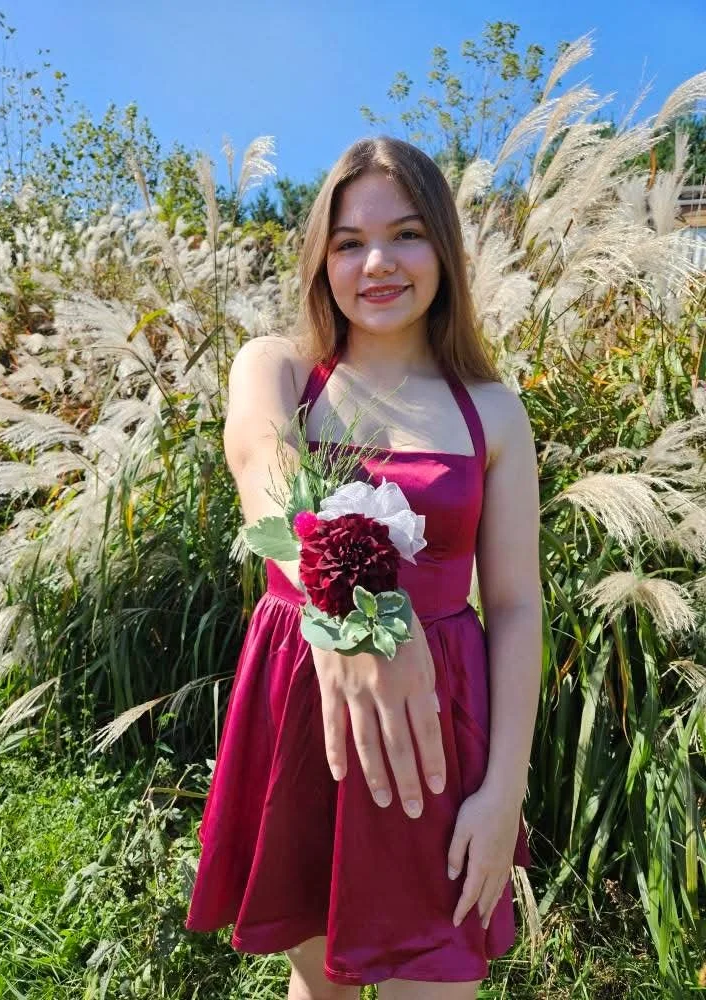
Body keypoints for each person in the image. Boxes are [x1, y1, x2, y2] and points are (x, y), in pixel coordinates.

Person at [185, 136, 542, 1000]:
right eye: (349, 241)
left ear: (444, 252)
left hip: (437, 741)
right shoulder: (277, 368)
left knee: (437, 981)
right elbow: (262, 471)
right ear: (321, 258)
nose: (378, 262)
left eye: (407, 234)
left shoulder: (493, 412)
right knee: (318, 985)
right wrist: (351, 621)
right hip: (305, 718)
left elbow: (518, 604)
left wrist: (504, 792)